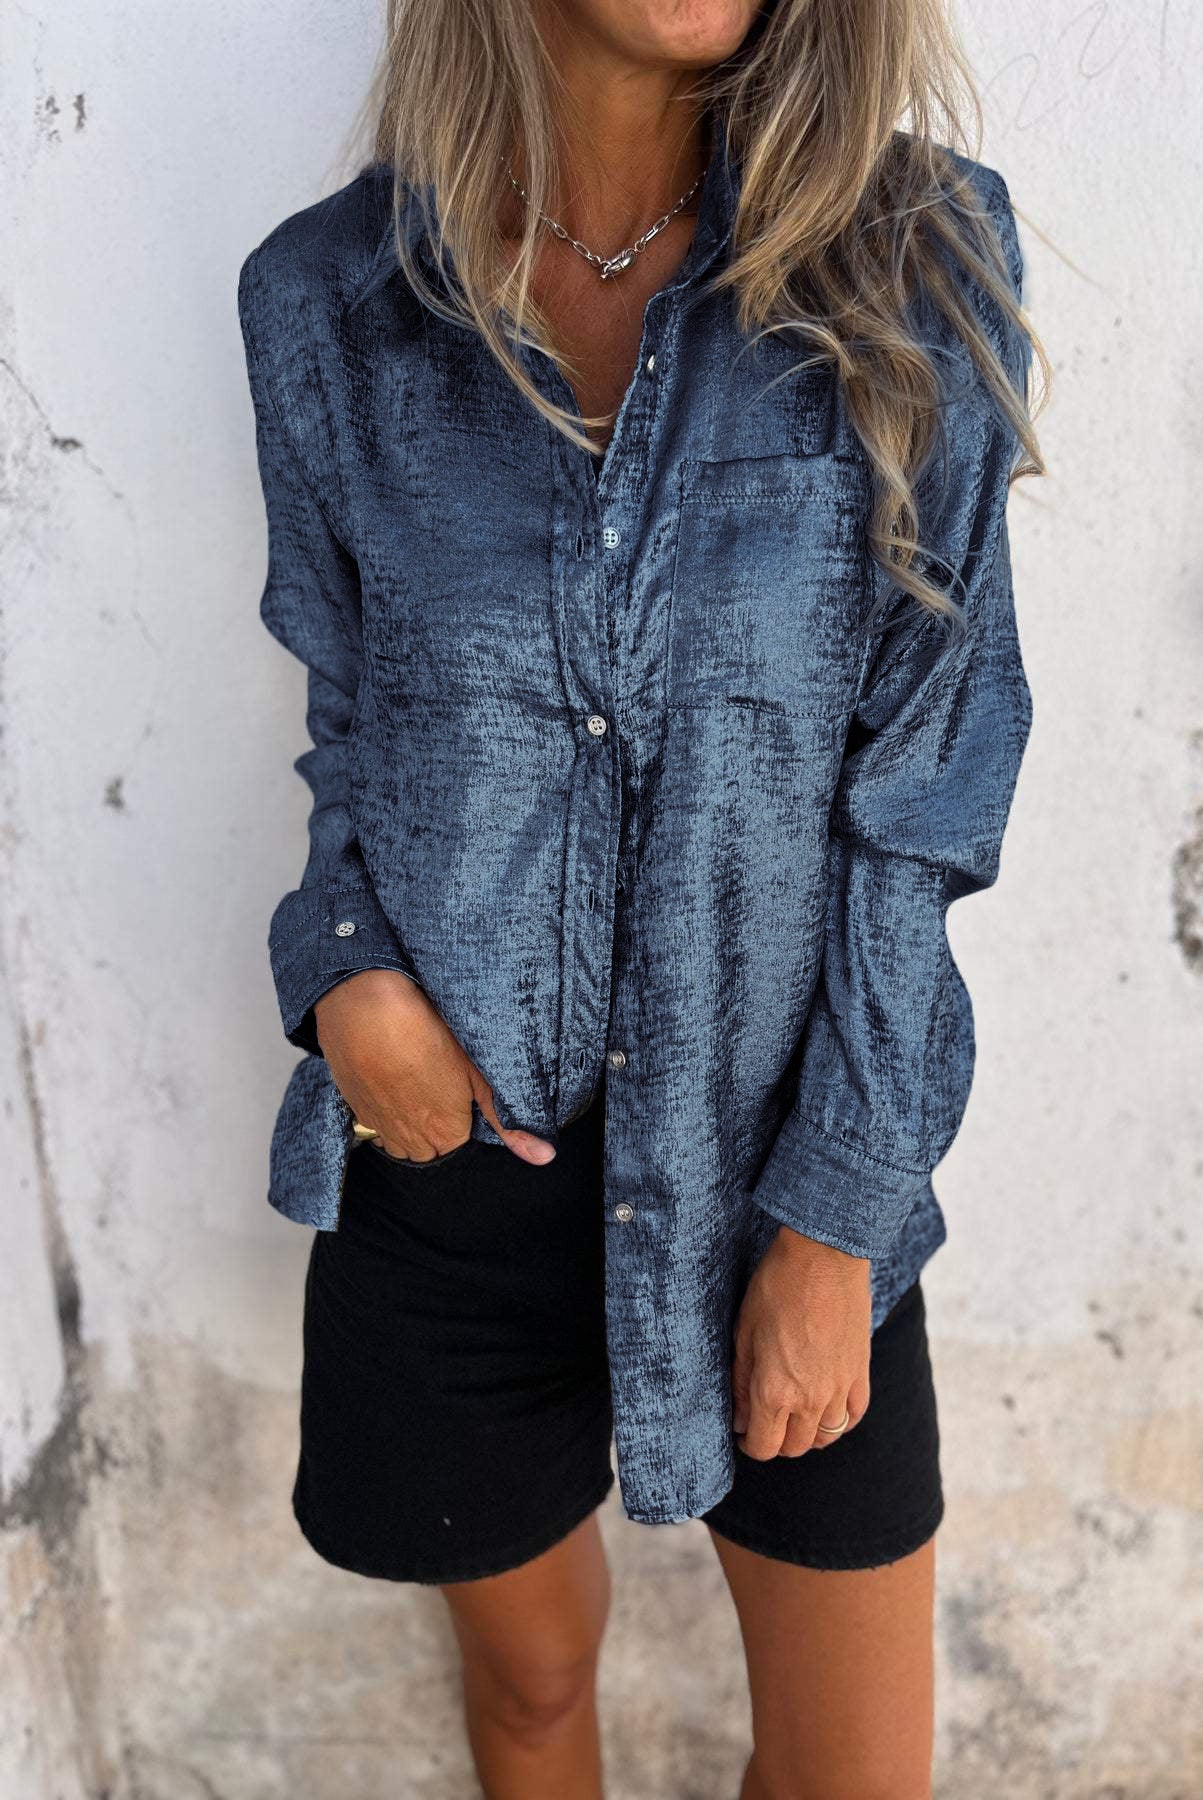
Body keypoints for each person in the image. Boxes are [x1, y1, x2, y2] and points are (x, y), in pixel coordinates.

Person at [237, 1, 1044, 1794]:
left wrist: (835, 1222)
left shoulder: (914, 259)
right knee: (532, 1697)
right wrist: (345, 967)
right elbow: (349, 707)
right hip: (454, 1170)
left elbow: (926, 787)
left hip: (775, 1174)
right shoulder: (328, 302)